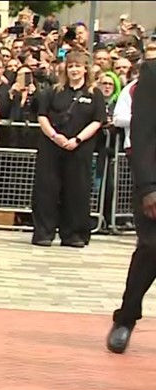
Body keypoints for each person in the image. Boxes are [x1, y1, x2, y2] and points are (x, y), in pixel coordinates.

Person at [32, 50, 105, 247]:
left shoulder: (94, 94)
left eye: (78, 66)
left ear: (85, 69)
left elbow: (98, 121)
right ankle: (43, 233)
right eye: (71, 66)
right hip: (52, 148)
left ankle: (74, 235)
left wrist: (77, 140)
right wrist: (55, 136)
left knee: (77, 191)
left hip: (79, 149)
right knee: (46, 190)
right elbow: (42, 115)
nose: (74, 70)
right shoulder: (53, 91)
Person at [107, 60, 156, 353]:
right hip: (154, 181)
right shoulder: (152, 73)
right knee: (152, 249)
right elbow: (142, 132)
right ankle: (126, 318)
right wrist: (148, 187)